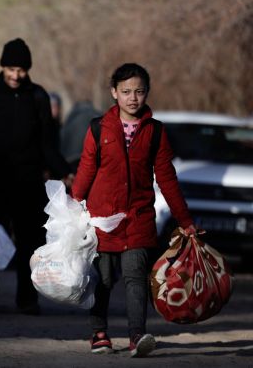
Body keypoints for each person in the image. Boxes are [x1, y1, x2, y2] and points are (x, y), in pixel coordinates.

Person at [71, 63, 196, 357]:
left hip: (138, 218)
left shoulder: (155, 132)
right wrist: (72, 207)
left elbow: (166, 178)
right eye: (126, 91)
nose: (133, 98)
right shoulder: (98, 128)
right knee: (101, 279)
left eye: (139, 91)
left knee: (136, 277)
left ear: (147, 93)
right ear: (114, 93)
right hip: (102, 221)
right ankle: (99, 333)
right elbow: (86, 170)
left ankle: (137, 336)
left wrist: (185, 220)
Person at [0, 38, 72, 315]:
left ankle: (27, 298)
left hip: (28, 184)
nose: (15, 75)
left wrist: (66, 173)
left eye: (21, 70)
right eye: (11, 68)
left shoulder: (38, 97)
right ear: (2, 66)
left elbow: (48, 144)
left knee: (30, 244)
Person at [60, 100, 102, 172]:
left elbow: (62, 136)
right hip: (94, 157)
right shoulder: (96, 114)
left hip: (71, 156)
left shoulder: (71, 116)